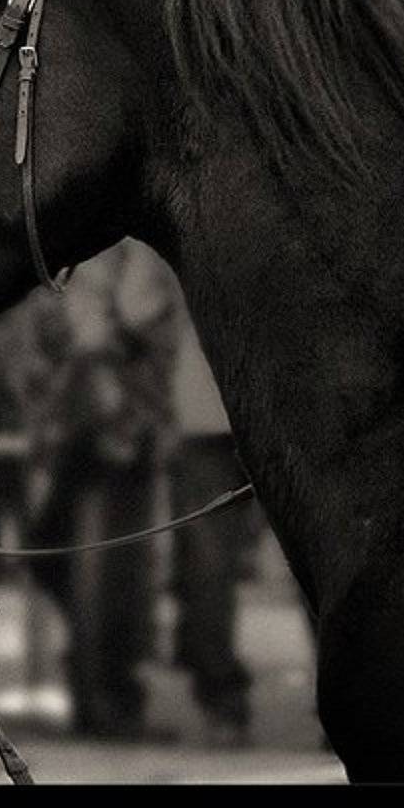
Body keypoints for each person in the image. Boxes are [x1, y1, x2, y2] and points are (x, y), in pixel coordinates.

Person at [11, 238, 182, 742]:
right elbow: (138, 309)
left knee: (72, 556)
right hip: (116, 413)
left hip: (62, 419)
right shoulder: (130, 243)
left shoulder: (53, 239)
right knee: (115, 565)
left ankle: (92, 692)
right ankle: (108, 698)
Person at [169, 305, 259, 748]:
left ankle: (223, 705)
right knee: (317, 558)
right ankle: (339, 702)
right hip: (291, 404)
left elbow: (136, 307)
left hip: (207, 409)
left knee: (209, 566)